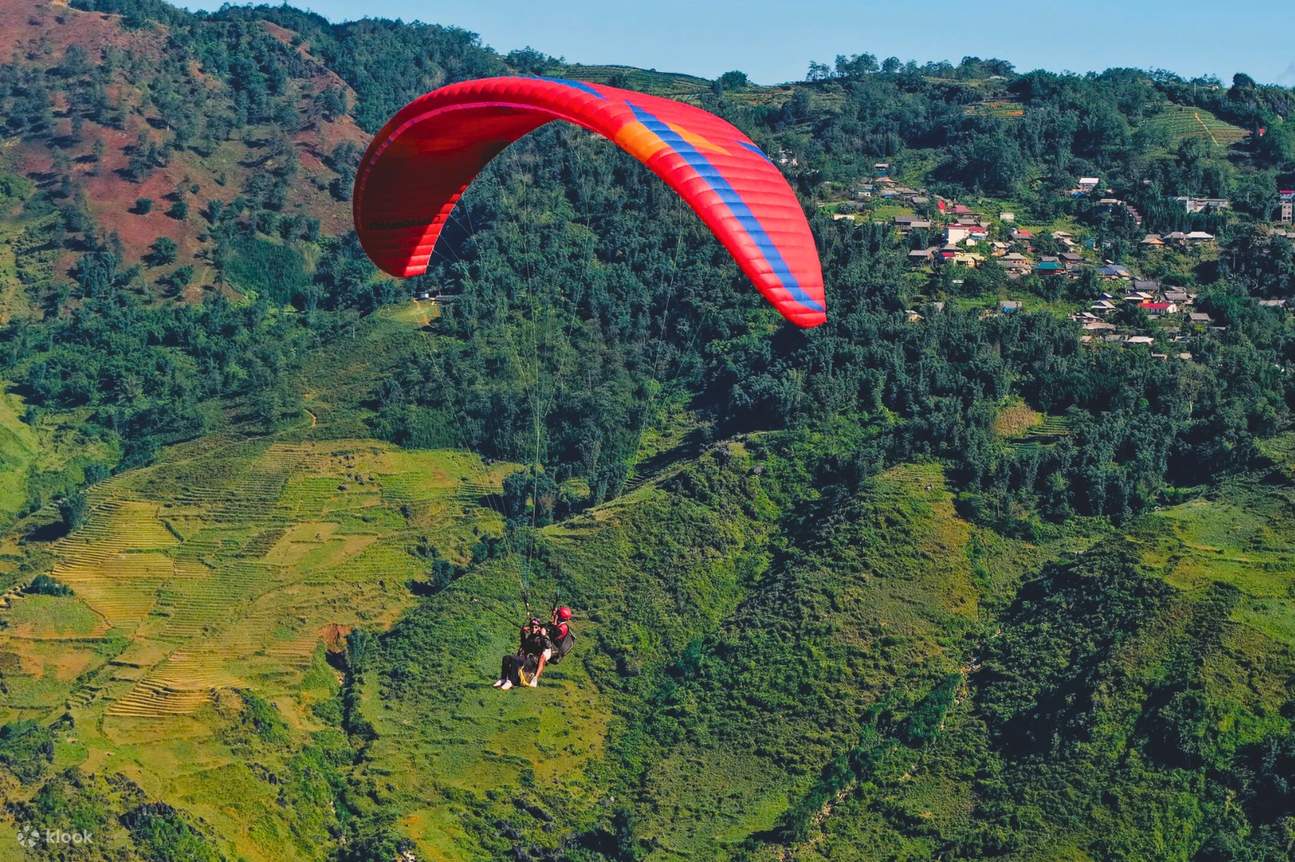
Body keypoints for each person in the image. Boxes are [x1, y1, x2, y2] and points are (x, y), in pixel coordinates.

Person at [494, 618, 548, 690]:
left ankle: (511, 682)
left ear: (539, 628)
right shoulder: (531, 636)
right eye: (532, 627)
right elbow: (524, 645)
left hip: (532, 661)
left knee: (515, 659)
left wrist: (543, 635)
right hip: (525, 658)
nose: (533, 629)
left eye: (536, 627)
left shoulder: (541, 637)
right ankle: (503, 678)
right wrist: (522, 633)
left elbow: (548, 645)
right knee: (506, 658)